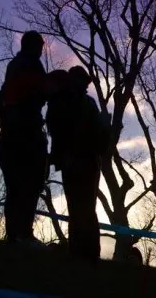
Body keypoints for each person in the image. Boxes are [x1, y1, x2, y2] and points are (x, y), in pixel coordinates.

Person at [46, 65, 107, 264]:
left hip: (87, 160)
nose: (84, 85)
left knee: (85, 207)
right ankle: (80, 251)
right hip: (76, 159)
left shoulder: (84, 102)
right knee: (80, 207)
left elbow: (97, 133)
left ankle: (87, 252)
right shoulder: (64, 101)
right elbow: (57, 129)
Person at [0, 30, 49, 243]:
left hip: (11, 131)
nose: (42, 50)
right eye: (40, 46)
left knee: (15, 186)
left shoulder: (13, 68)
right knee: (29, 183)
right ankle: (23, 233)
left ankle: (14, 234)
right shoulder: (31, 65)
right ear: (34, 46)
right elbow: (40, 92)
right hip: (26, 131)